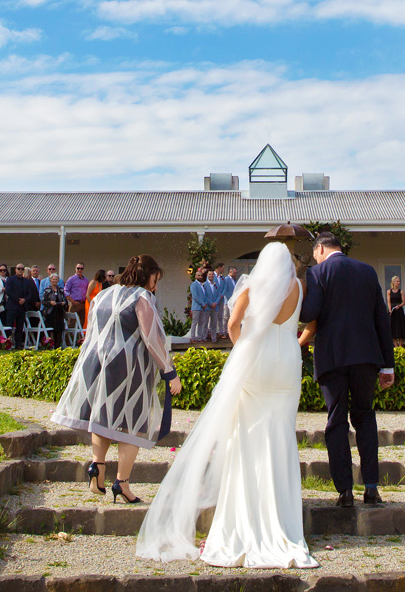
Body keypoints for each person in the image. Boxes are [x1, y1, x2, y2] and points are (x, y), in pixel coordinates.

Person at [138, 240, 313, 568]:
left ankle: (246, 514)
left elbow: (233, 326)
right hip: (288, 360)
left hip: (258, 360)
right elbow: (304, 326)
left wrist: (247, 348)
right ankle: (284, 520)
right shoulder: (298, 288)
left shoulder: (252, 287)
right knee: (281, 432)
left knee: (246, 432)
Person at [51, 254, 179, 504]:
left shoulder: (103, 295)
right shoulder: (142, 297)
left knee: (103, 415)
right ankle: (122, 482)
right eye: (156, 278)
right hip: (128, 366)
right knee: (132, 423)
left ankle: (97, 468)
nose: (156, 284)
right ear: (148, 275)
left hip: (97, 362)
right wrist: (169, 371)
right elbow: (151, 337)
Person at [299, 232, 395, 510]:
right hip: (366, 357)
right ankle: (372, 488)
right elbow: (381, 319)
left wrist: (298, 292)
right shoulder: (367, 271)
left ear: (319, 248)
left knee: (337, 420)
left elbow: (309, 313)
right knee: (365, 417)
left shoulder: (318, 273)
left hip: (333, 356)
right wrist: (387, 365)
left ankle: (345, 491)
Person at [2, 262, 38, 350]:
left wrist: (24, 300)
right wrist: (18, 299)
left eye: (22, 269)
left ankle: (18, 344)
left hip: (22, 307)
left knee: (20, 326)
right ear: (15, 269)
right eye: (19, 268)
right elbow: (8, 291)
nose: (20, 270)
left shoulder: (26, 281)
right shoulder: (10, 279)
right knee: (9, 326)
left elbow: (30, 293)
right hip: (12, 306)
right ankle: (7, 343)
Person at [41, 271, 70, 348]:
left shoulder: (61, 290)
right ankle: (49, 345)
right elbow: (44, 301)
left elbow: (65, 301)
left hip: (59, 312)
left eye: (56, 279)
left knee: (59, 330)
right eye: (53, 279)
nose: (55, 281)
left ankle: (58, 346)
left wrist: (64, 303)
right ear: (50, 280)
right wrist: (50, 302)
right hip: (50, 313)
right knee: (50, 330)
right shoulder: (47, 290)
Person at [63, 263, 91, 327]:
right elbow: (66, 290)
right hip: (74, 304)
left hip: (83, 304)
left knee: (83, 322)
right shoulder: (71, 279)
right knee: (71, 323)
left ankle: (80, 336)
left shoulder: (86, 280)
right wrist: (72, 301)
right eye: (78, 268)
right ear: (75, 269)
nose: (79, 270)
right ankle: (69, 337)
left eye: (81, 268)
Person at [388, 275, 405, 343]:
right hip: (392, 311)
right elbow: (389, 302)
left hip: (399, 310)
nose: (398, 283)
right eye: (397, 281)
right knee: (393, 327)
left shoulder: (401, 291)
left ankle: (400, 344)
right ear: (393, 282)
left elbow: (403, 302)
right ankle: (395, 345)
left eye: (399, 281)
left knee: (400, 327)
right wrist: (390, 309)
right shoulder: (389, 291)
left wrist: (399, 306)